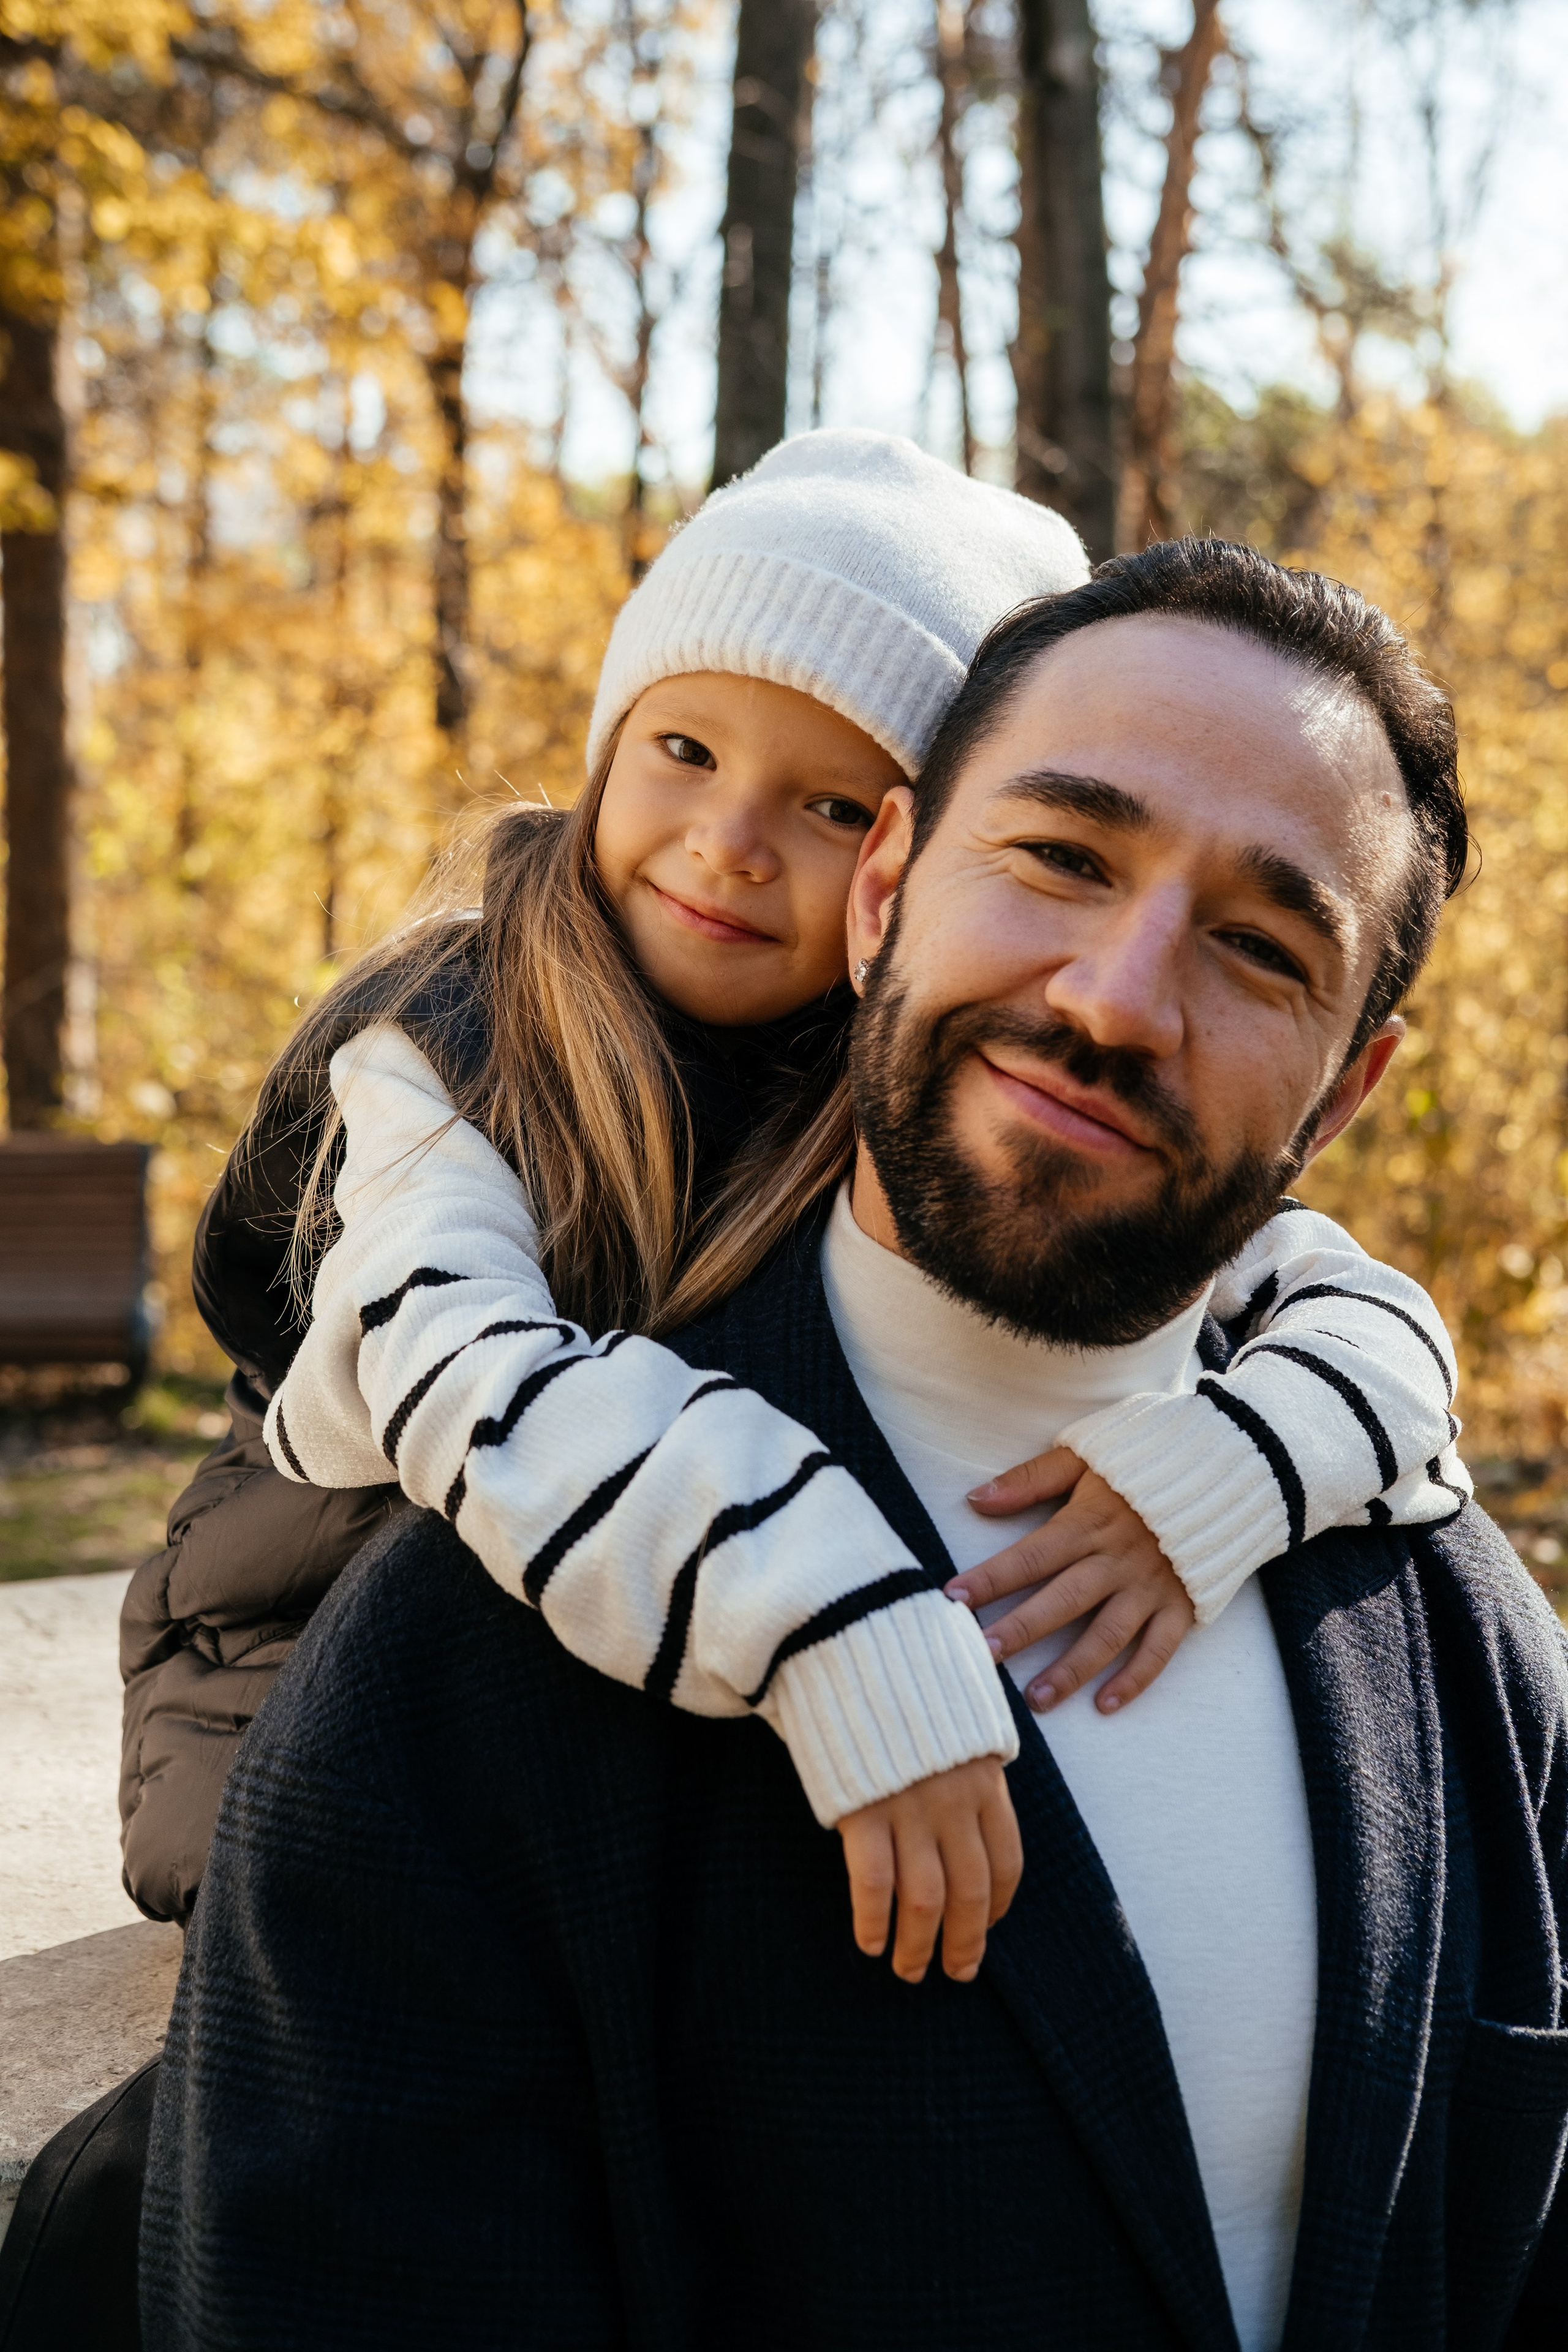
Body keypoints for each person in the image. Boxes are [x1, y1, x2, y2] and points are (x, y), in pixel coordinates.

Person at [141, 538, 1568, 2351]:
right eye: (1061, 856)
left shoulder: (1457, 1638)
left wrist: (1239, 1469)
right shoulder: (466, 1667)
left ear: (1346, 1086)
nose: (1117, 999)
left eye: (1261, 947)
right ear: (884, 893)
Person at [121, 433, 1464, 1986]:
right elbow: (455, 1375)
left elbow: (1346, 1308)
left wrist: (1224, 1468)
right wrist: (828, 1600)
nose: (729, 843)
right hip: (296, 1648)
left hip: (630, 1607)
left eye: (827, 804)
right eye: (684, 750)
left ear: (899, 870)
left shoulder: (912, 1066)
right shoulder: (446, 1046)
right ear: (609, 743)